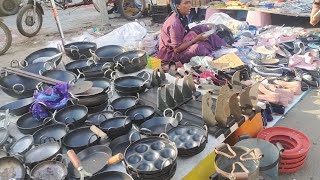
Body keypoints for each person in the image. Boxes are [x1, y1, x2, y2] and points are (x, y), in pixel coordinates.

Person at [158, 0, 227, 64]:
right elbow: (176, 49)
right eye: (186, 3)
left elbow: (187, 31)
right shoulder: (174, 23)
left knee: (202, 28)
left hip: (182, 42)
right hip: (171, 55)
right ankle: (213, 56)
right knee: (198, 47)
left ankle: (223, 46)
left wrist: (195, 37)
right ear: (178, 6)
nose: (189, 6)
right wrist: (195, 40)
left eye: (189, 2)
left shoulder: (181, 16)